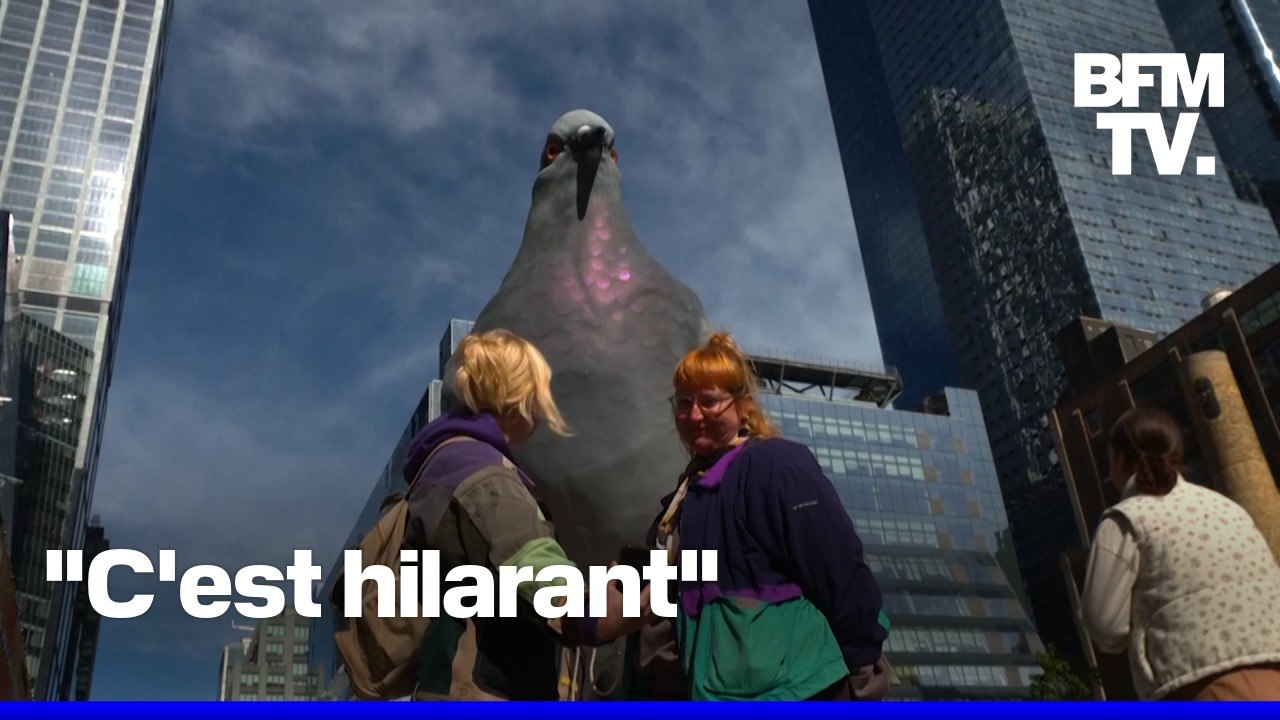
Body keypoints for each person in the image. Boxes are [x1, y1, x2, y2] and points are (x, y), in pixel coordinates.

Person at [635, 332, 888, 700]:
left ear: (743, 407)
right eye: (684, 402)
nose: (693, 415)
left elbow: (838, 568)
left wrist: (859, 672)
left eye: (709, 401)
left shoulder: (775, 465)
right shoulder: (682, 500)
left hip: (798, 692)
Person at [402, 329, 645, 700]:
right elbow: (532, 565)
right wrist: (610, 609)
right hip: (486, 690)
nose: (541, 411)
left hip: (445, 681)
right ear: (516, 397)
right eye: (538, 394)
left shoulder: (441, 460)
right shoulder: (485, 476)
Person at [1080, 407, 1280, 700]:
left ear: (1121, 460)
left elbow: (1103, 624)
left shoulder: (1126, 519)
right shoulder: (1227, 507)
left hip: (1198, 682)